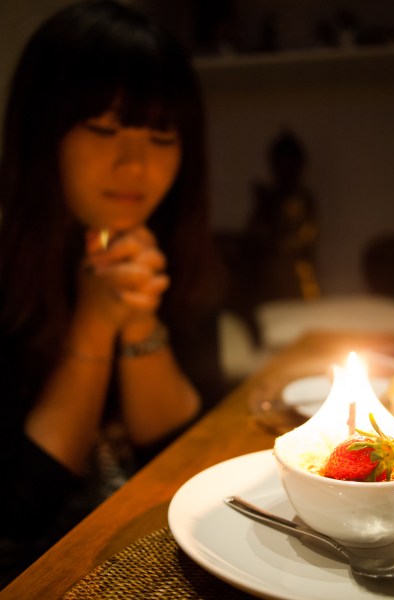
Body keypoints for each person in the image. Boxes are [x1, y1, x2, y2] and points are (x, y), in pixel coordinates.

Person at [0, 0, 225, 584]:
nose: (135, 165)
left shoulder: (183, 259)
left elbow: (188, 467)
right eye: (102, 128)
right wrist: (95, 323)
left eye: (161, 136)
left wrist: (139, 320)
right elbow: (19, 507)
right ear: (41, 133)